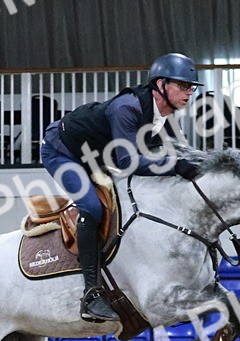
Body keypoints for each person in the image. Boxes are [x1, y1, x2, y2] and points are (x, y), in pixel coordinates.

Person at [40, 53, 204, 322]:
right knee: (92, 208)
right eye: (183, 86)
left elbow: (183, 153)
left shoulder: (165, 116)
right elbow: (128, 162)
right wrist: (175, 166)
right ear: (161, 84)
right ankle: (91, 294)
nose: (190, 92)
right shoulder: (126, 108)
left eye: (192, 87)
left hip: (97, 155)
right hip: (62, 151)